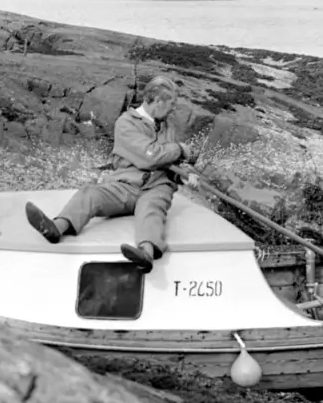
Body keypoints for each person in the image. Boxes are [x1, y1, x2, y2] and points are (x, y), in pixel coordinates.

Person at [22, 75, 197, 274]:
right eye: (171, 104)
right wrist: (180, 149)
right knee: (91, 194)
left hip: (157, 186)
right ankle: (56, 228)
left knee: (151, 210)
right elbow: (150, 156)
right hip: (125, 185)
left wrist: (186, 175)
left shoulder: (168, 127)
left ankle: (146, 253)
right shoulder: (126, 123)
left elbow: (174, 162)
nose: (173, 109)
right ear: (157, 102)